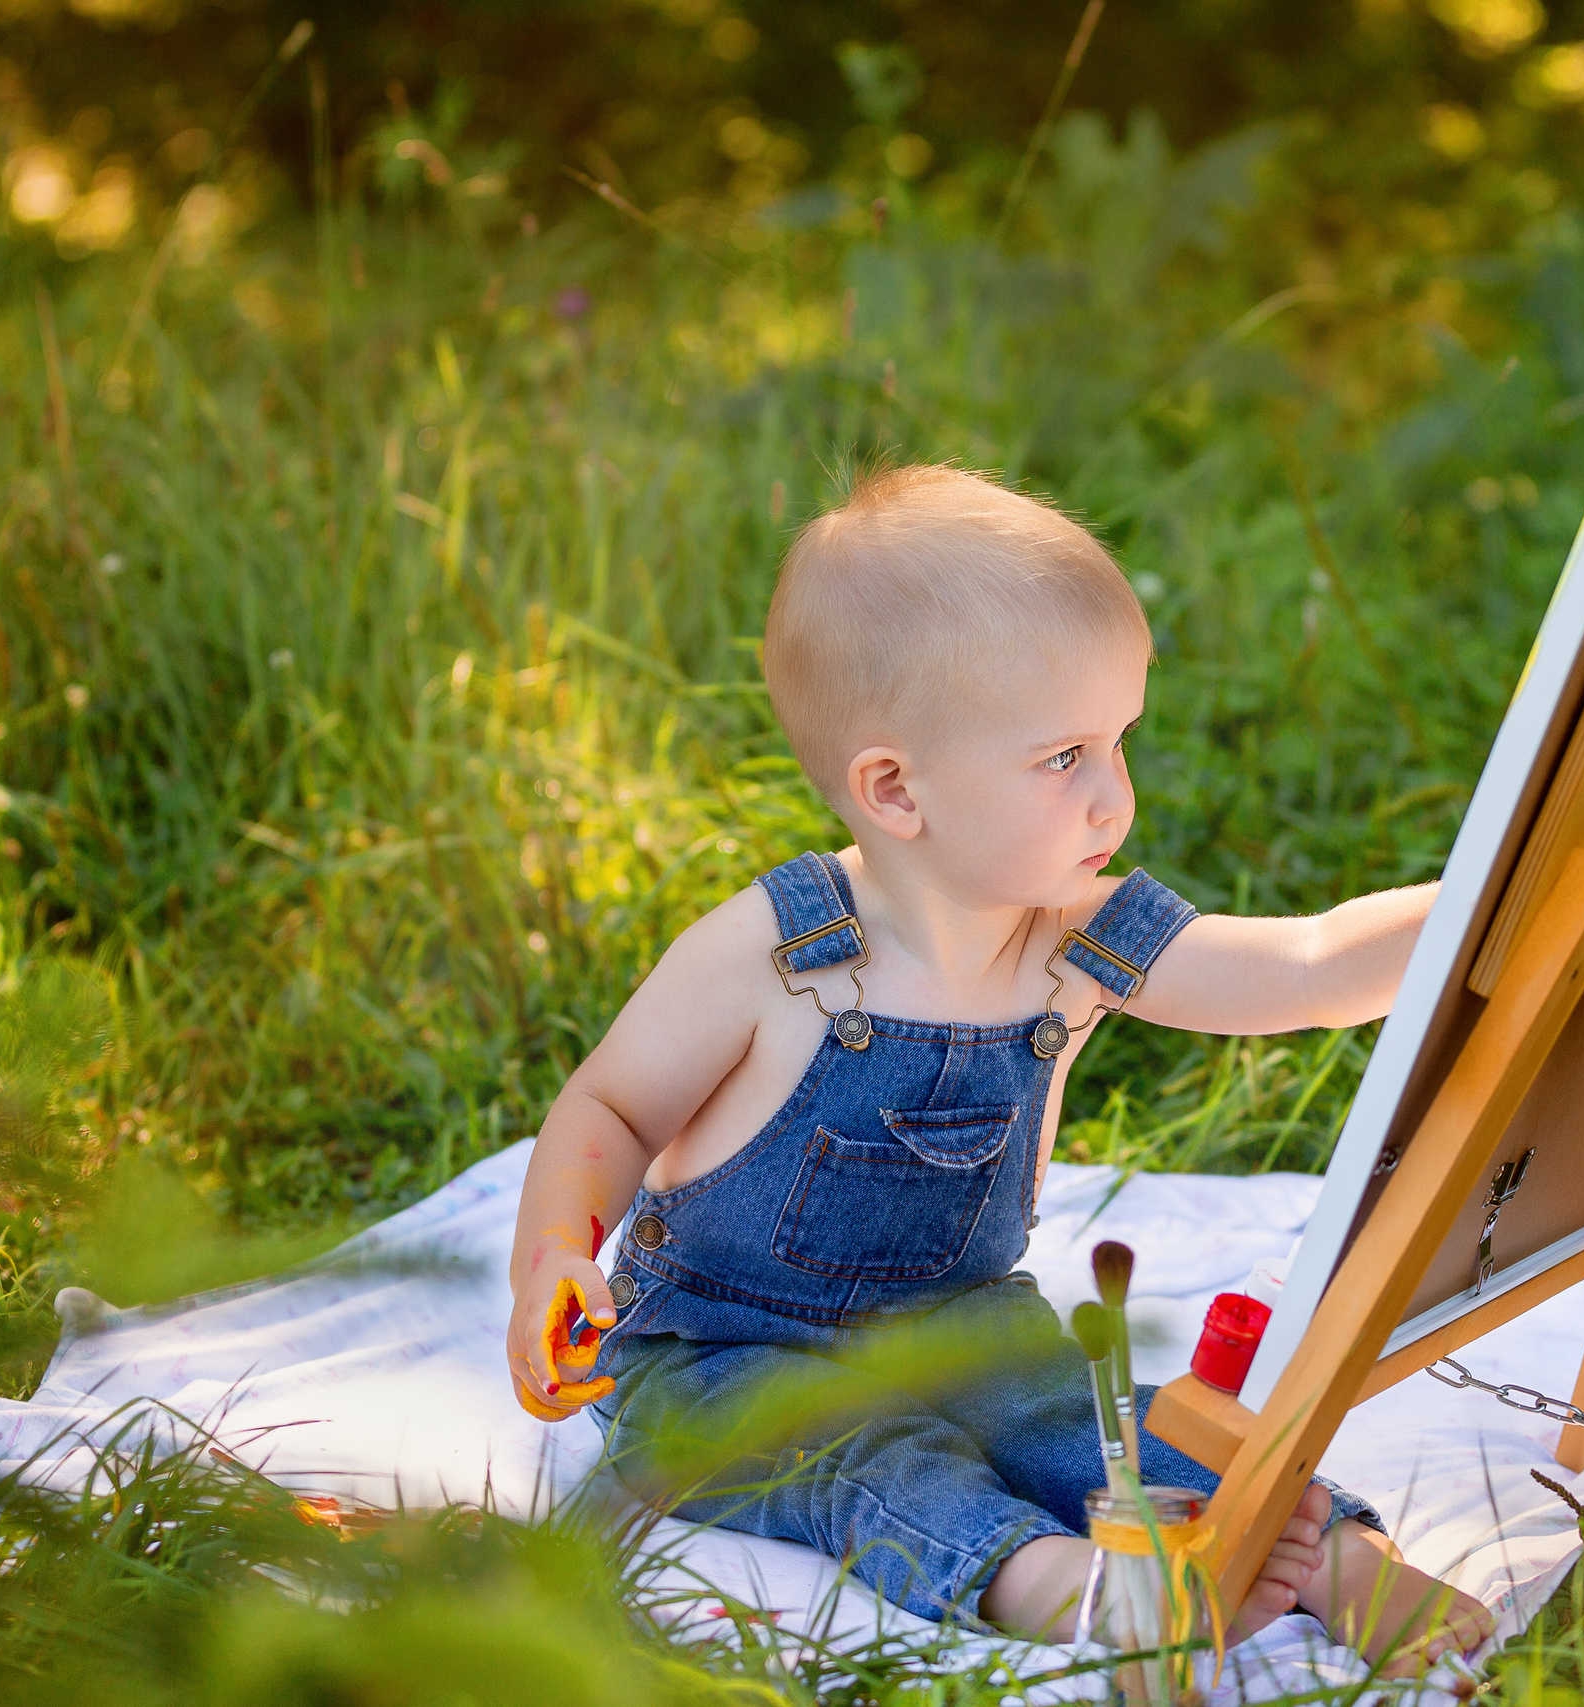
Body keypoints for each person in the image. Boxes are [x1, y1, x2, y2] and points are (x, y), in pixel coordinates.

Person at [503, 463, 1490, 1670]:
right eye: (1063, 756)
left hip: (957, 1321)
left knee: (1084, 1423)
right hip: (713, 1351)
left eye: (1119, 742)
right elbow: (608, 1105)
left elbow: (1303, 966)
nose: (1112, 796)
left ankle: (1329, 1555)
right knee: (853, 1462)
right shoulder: (775, 952)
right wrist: (555, 1253)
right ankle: (1058, 1586)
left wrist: (1491, 900)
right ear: (896, 789)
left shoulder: (1074, 941)